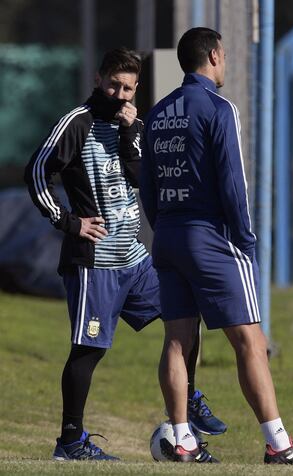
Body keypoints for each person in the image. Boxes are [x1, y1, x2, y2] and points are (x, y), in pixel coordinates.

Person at [24, 46, 225, 462]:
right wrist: (69, 222)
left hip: (134, 258)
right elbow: (37, 170)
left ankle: (187, 399)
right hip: (93, 262)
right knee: (89, 349)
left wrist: (135, 133)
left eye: (129, 88)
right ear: (98, 79)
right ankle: (71, 441)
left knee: (186, 319)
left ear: (137, 89)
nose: (120, 94)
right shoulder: (76, 122)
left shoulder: (134, 123)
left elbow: (140, 176)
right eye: (114, 84)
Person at [140, 27, 293, 465]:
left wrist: (164, 228)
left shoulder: (158, 113)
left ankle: (183, 440)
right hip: (209, 235)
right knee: (251, 341)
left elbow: (147, 187)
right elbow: (232, 182)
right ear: (213, 55)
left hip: (167, 235)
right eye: (223, 55)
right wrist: (245, 241)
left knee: (176, 340)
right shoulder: (218, 108)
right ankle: (278, 445)